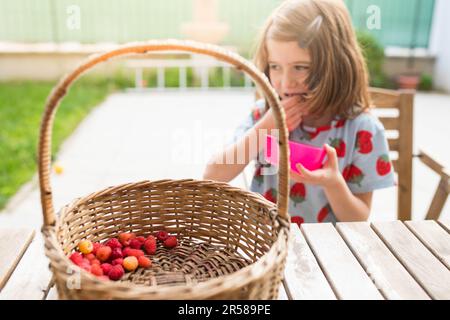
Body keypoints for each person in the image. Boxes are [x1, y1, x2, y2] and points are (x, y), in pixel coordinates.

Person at [203, 0, 395, 224]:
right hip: (269, 246)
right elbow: (213, 175)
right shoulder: (264, 115)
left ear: (337, 66)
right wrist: (265, 128)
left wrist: (332, 183)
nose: (286, 83)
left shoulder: (362, 129)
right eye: (275, 66)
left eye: (301, 67)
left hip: (329, 251)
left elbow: (358, 219)